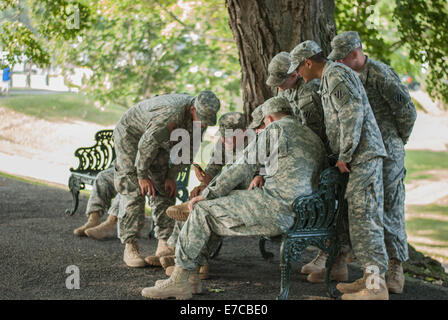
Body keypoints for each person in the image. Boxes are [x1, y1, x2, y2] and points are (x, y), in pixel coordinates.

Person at [140, 96, 327, 300]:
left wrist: (208, 195)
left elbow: (242, 166)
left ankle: (180, 279)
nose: (262, 128)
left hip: (277, 209)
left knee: (203, 209)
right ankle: (191, 275)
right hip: (305, 214)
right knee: (212, 204)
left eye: (263, 123)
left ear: (270, 119)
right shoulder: (312, 137)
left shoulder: (276, 130)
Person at [288, 40, 389, 300]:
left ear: (308, 62)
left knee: (367, 222)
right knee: (359, 222)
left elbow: (351, 113)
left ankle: (377, 287)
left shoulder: (335, 74)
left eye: (298, 68)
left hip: (362, 158)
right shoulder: (330, 76)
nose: (298, 74)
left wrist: (345, 154)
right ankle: (369, 280)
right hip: (359, 159)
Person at [328, 31, 417, 294]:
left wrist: (396, 140)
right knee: (367, 209)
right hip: (366, 150)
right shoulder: (352, 76)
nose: (340, 64)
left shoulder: (380, 74)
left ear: (355, 53)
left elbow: (407, 112)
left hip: (388, 149)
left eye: (343, 59)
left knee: (389, 207)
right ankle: (369, 273)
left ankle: (396, 267)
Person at [113, 91, 220, 268]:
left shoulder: (201, 118)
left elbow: (188, 149)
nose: (203, 124)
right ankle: (130, 245)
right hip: (132, 135)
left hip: (159, 141)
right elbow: (146, 144)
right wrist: (142, 176)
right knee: (133, 188)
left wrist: (171, 176)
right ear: (193, 109)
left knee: (165, 187)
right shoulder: (171, 113)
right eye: (201, 118)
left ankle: (164, 242)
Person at [267, 51, 331, 275]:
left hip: (319, 156)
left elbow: (316, 133)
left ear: (294, 74)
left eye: (281, 82)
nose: (280, 88)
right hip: (301, 156)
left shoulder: (309, 93)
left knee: (325, 206)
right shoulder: (288, 90)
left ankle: (330, 256)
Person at [267, 52, 327, 144]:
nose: (279, 88)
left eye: (281, 83)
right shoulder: (284, 90)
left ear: (293, 76)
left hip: (322, 141)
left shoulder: (312, 87)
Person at [73, 167, 119, 239]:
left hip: (138, 172)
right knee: (102, 177)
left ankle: (110, 223)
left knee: (127, 183)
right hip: (124, 168)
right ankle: (93, 220)